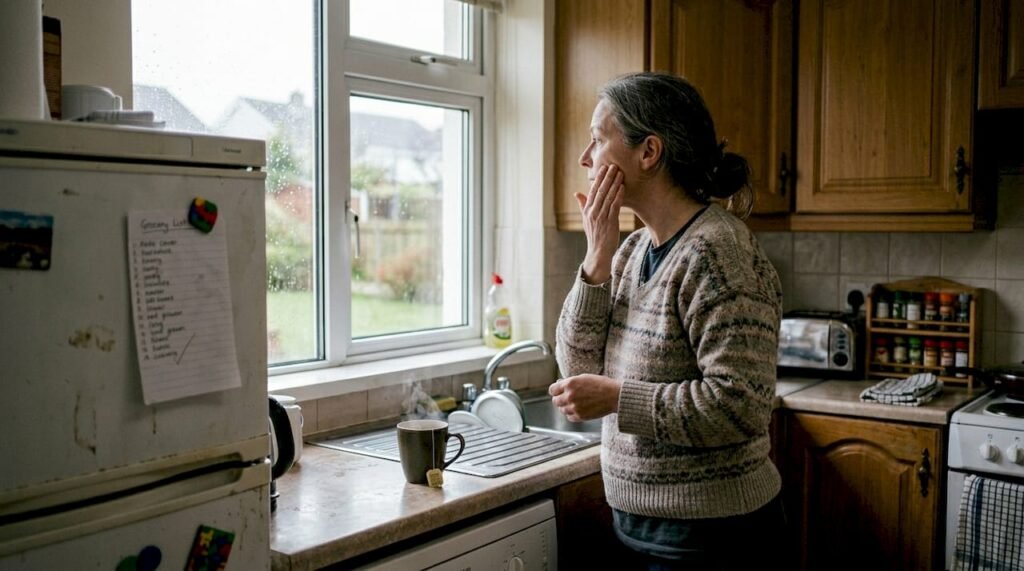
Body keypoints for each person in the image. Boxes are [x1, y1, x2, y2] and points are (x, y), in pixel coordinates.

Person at [549, 71, 787, 570]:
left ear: (648, 152)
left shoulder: (717, 251)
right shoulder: (631, 249)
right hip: (636, 522)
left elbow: (738, 405)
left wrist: (618, 399)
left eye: (597, 139)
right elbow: (575, 365)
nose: (585, 159)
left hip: (715, 535)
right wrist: (595, 259)